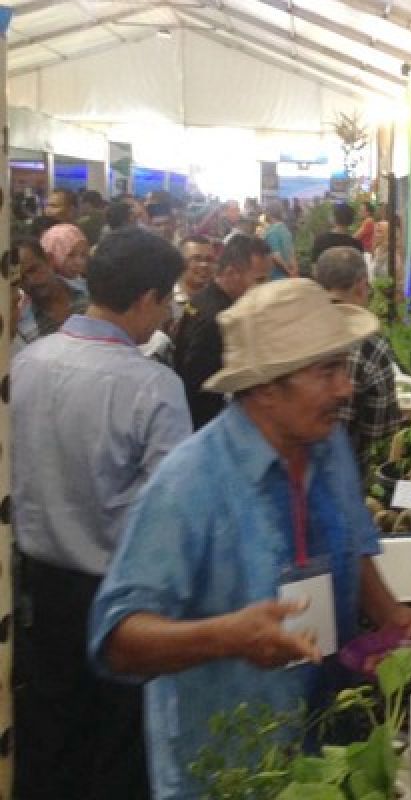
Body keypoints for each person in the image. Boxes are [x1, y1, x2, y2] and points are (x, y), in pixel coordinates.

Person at [88, 279, 411, 800]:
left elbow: (352, 542)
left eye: (344, 367)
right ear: (267, 387)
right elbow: (116, 640)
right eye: (327, 372)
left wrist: (390, 616)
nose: (346, 388)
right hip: (229, 772)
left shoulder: (326, 442)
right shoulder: (189, 484)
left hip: (328, 756)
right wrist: (229, 636)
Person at [13, 227, 191, 800]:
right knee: (118, 757)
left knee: (49, 745)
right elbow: (171, 511)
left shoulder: (27, 365)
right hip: (123, 601)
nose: (164, 316)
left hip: (37, 594)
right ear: (147, 299)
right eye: (166, 301)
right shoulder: (154, 386)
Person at [313, 246, 403, 474]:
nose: (342, 389)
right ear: (362, 286)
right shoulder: (372, 347)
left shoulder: (299, 332)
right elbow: (380, 437)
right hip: (349, 477)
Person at [173, 234, 271, 428]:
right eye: (259, 280)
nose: (265, 288)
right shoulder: (218, 318)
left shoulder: (205, 299)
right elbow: (198, 386)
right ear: (232, 273)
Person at [11, 237, 90, 354]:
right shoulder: (25, 329)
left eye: (33, 270)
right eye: (21, 279)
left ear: (49, 260)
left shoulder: (91, 292)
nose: (30, 281)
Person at [41, 222, 90, 290]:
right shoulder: (60, 291)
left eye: (83, 254)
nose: (79, 262)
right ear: (53, 257)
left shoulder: (78, 278)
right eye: (71, 255)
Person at [262, 200, 298, 279]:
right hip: (291, 274)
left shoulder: (271, 232)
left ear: (269, 213)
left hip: (278, 277)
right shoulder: (285, 229)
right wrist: (295, 271)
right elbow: (292, 252)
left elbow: (276, 256)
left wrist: (289, 272)